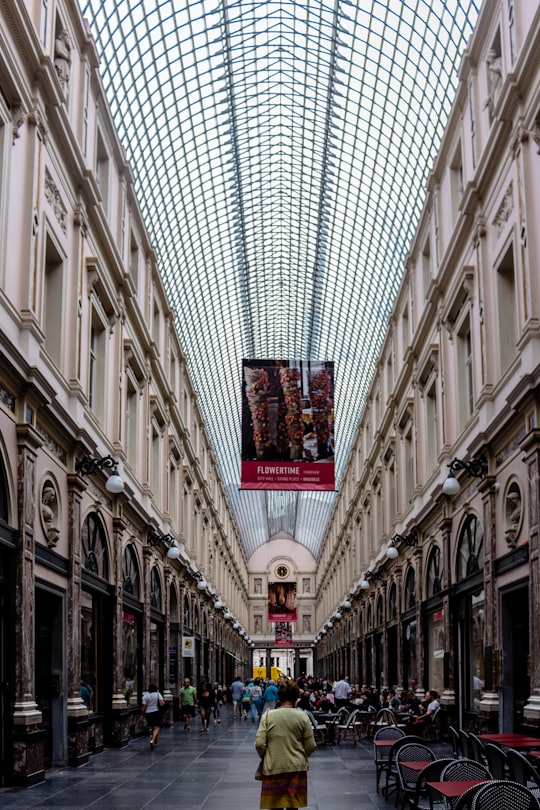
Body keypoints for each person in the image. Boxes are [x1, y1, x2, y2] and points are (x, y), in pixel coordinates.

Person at [255, 680, 316, 810]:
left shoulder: (267, 716)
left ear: (279, 697)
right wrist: (301, 754)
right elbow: (311, 745)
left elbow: (260, 744)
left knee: (274, 806)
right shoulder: (303, 716)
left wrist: (267, 756)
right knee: (293, 806)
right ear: (296, 697)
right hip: (296, 768)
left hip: (273, 767)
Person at [141, 683, 165, 750]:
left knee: (153, 727)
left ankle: (155, 742)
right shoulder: (157, 694)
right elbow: (162, 702)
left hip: (148, 713)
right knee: (157, 727)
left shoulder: (145, 696)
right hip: (156, 712)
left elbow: (143, 707)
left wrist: (142, 715)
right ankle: (152, 741)